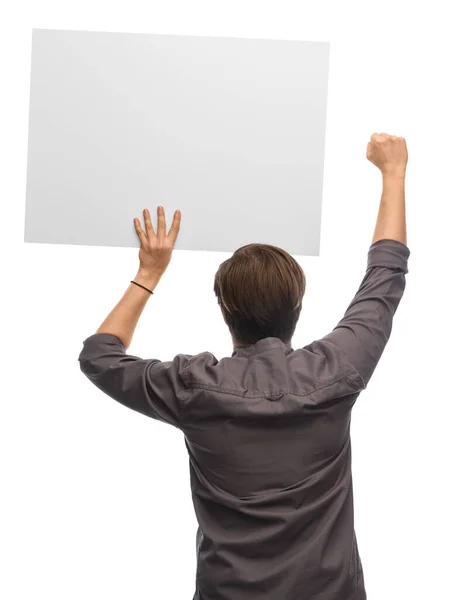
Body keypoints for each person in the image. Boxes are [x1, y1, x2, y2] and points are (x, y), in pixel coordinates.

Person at [78, 132, 410, 600]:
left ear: (223, 309)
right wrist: (393, 173)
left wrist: (149, 273)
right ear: (298, 304)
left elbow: (99, 356)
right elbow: (386, 275)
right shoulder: (338, 369)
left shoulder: (193, 387)